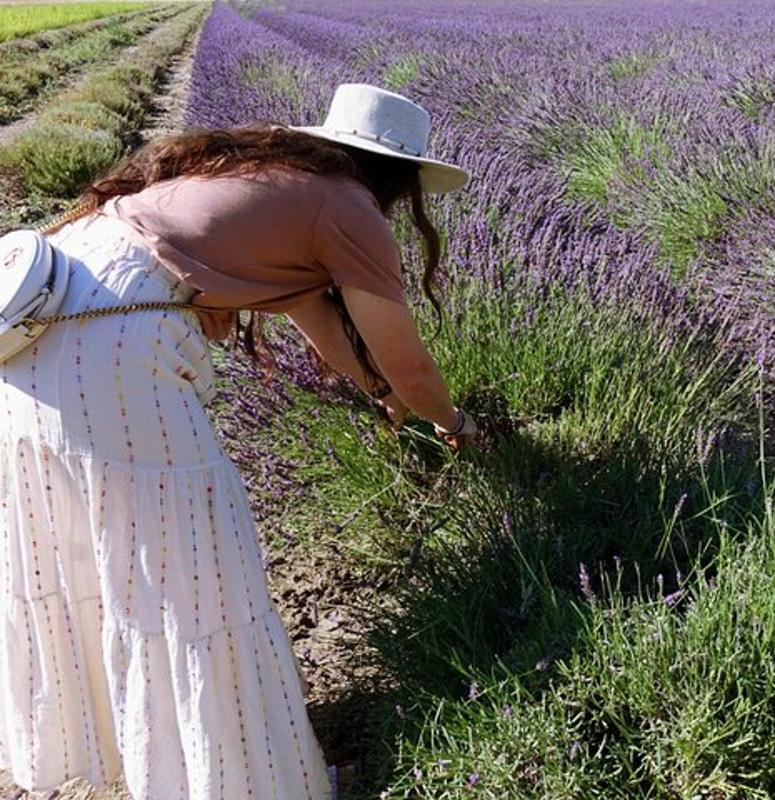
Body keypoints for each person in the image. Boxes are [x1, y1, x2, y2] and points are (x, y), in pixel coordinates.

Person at [0, 83, 475, 799]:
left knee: (96, 566)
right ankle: (248, 783)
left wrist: (381, 399)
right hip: (113, 353)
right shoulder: (347, 205)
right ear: (397, 175)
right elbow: (406, 358)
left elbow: (320, 322)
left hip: (34, 334)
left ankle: (154, 763)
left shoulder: (263, 178)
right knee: (195, 581)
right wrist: (454, 421)